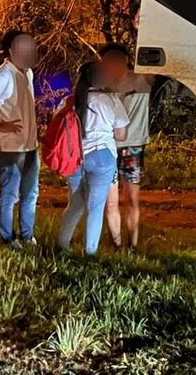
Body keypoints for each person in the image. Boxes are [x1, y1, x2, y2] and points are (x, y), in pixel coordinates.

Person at [0, 30, 40, 247]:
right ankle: (8, 238)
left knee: (30, 193)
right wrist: (0, 125)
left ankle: (27, 236)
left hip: (30, 146)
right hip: (10, 148)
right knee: (11, 195)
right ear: (11, 51)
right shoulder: (3, 75)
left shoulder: (27, 72)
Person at [58, 61, 129, 256]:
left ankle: (62, 245)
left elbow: (59, 128)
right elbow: (121, 135)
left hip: (73, 158)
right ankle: (90, 253)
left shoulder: (70, 101)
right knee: (96, 207)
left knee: (75, 203)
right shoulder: (111, 100)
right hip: (102, 157)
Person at [99, 44, 152, 252]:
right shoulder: (102, 85)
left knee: (132, 199)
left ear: (125, 59)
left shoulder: (142, 79)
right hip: (108, 147)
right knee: (111, 202)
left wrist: (139, 25)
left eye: (114, 60)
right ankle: (117, 244)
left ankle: (133, 245)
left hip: (133, 148)